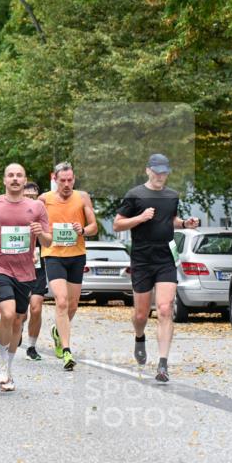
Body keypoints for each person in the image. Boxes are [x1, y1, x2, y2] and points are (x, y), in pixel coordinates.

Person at [113, 154, 199, 382]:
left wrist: (184, 224)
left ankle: (163, 364)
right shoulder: (135, 195)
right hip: (142, 259)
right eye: (157, 171)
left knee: (164, 308)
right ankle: (139, 337)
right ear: (148, 170)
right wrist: (140, 218)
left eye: (164, 172)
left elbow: (170, 219)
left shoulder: (172, 196)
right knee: (141, 315)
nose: (161, 175)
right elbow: (117, 223)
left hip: (164, 258)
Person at [0, 163, 50, 391]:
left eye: (19, 175)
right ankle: (3, 364)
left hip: (25, 272)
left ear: (25, 181)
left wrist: (40, 234)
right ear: (4, 180)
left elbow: (48, 241)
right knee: (7, 312)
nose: (15, 179)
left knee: (18, 319)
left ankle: (7, 367)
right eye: (11, 175)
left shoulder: (37, 207)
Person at [38, 162, 98, 370]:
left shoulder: (82, 197)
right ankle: (66, 350)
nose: (66, 184)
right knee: (61, 302)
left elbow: (93, 227)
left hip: (76, 255)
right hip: (53, 255)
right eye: (62, 180)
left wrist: (82, 230)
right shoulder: (44, 199)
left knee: (72, 305)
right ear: (54, 179)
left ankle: (57, 331)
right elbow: (33, 224)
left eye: (70, 180)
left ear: (74, 179)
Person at [20, 181, 49, 361]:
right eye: (27, 196)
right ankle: (19, 328)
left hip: (39, 267)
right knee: (21, 312)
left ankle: (31, 346)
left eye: (33, 196)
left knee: (36, 308)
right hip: (18, 268)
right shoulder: (14, 214)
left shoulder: (43, 216)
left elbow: (49, 240)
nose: (30, 199)